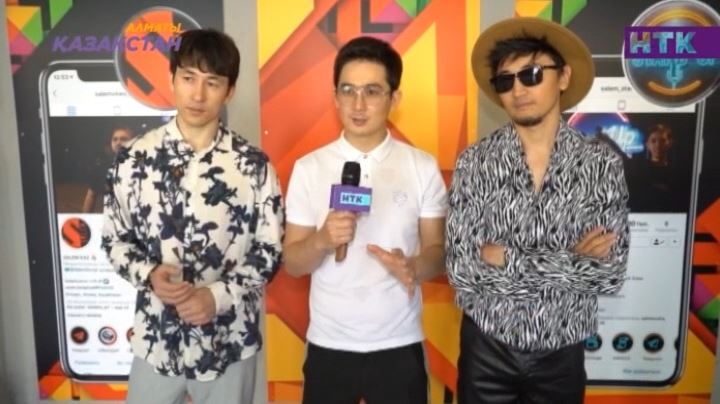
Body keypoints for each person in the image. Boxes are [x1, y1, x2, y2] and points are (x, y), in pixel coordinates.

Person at [447, 17, 630, 403]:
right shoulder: (475, 163)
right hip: (487, 349)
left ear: (563, 77)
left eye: (531, 75)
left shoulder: (600, 165)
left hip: (561, 353)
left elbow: (608, 275)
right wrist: (571, 261)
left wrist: (506, 259)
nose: (518, 90)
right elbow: (463, 271)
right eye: (505, 81)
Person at [102, 28, 283, 404]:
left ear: (229, 91)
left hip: (229, 343)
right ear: (172, 79)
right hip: (156, 341)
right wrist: (148, 274)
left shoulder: (253, 165)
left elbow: (269, 251)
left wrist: (217, 296)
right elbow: (114, 240)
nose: (198, 95)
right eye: (188, 78)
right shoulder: (134, 158)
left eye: (212, 82)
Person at [283, 36, 447, 404]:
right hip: (328, 345)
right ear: (335, 96)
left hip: (399, 344)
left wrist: (413, 266)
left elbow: (437, 252)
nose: (358, 105)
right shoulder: (309, 168)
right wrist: (322, 240)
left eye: (372, 91)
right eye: (348, 90)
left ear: (394, 98)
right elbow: (293, 263)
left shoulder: (421, 166)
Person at [81, 127, 135, 213]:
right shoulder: (102, 167)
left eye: (123, 139)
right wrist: (85, 219)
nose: (118, 142)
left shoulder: (142, 166)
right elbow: (91, 195)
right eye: (115, 139)